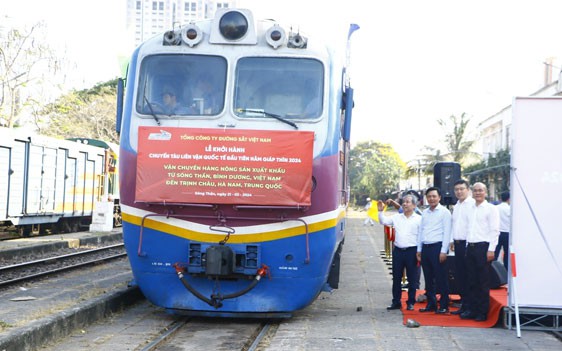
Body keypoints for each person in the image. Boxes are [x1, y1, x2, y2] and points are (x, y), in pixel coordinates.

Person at [460, 182, 500, 322]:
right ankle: (472, 309)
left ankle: (482, 312)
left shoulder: (491, 209)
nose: (478, 193)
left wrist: (491, 249)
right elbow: (467, 229)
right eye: (475, 191)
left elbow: (494, 230)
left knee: (482, 282)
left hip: (483, 248)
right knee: (471, 280)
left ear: (486, 192)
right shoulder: (470, 208)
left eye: (480, 190)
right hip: (470, 247)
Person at [378, 194, 421, 311]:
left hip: (412, 251)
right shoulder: (397, 217)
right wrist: (380, 212)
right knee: (396, 277)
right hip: (398, 251)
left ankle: (411, 302)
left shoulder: (419, 219)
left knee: (412, 279)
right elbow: (383, 221)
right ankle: (396, 301)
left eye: (408, 202)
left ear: (414, 205)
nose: (405, 204)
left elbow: (421, 237)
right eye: (404, 202)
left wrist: (420, 252)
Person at [416, 186, 452, 314]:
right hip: (426, 247)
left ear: (439, 197)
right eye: (429, 196)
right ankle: (431, 303)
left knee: (441, 278)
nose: (431, 199)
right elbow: (421, 231)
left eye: (434, 196)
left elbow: (447, 232)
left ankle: (444, 305)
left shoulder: (444, 212)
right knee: (428, 278)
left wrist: (443, 251)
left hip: (438, 247)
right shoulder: (425, 213)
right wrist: (419, 249)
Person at [449, 179, 475, 315]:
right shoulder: (457, 205)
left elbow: (471, 226)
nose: (459, 192)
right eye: (456, 189)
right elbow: (455, 225)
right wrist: (452, 240)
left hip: (467, 244)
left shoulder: (472, 205)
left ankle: (470, 307)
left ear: (468, 190)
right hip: (457, 244)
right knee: (460, 276)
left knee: (469, 276)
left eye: (461, 189)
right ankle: (464, 304)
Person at [494, 191, 510, 270]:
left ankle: (492, 269)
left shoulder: (496, 208)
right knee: (507, 254)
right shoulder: (510, 209)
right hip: (507, 233)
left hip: (497, 233)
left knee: (495, 253)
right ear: (509, 199)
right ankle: (506, 272)